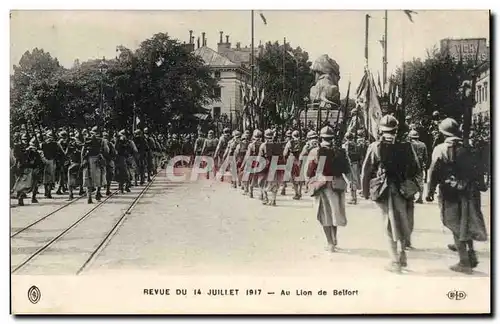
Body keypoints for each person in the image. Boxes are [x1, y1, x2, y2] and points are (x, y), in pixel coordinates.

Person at [426, 118, 488, 274]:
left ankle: (464, 262)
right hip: (470, 191)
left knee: (454, 224)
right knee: (467, 221)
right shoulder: (470, 147)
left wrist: (429, 191)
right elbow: (479, 169)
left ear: (443, 133)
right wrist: (481, 185)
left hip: (450, 191)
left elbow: (433, 171)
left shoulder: (440, 149)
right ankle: (471, 254)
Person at [361, 115, 421, 273]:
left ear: (381, 130)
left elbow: (366, 171)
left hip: (385, 190)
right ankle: (402, 253)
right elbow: (416, 168)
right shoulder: (407, 146)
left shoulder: (375, 147)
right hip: (404, 189)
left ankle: (395, 261)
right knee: (403, 221)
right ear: (396, 129)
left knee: (389, 224)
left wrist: (366, 191)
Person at [306, 125, 352, 252]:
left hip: (323, 184)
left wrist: (309, 181)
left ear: (321, 137)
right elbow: (347, 169)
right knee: (334, 213)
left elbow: (309, 170)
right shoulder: (340, 151)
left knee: (325, 215)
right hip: (337, 185)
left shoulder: (315, 152)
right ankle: (334, 239)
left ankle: (330, 243)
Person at [81, 126, 109, 204]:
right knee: (100, 176)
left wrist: (82, 161)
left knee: (87, 178)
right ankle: (97, 193)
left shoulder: (87, 139)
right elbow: (106, 151)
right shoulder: (102, 140)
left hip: (88, 161)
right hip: (97, 160)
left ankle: (89, 197)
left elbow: (82, 152)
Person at [408, 130, 428, 203]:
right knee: (420, 181)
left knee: (410, 180)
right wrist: (424, 164)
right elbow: (425, 157)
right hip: (420, 165)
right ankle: (420, 197)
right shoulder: (423, 144)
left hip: (411, 165)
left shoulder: (409, 144)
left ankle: (412, 196)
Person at [283, 130, 303, 199]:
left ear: (292, 135)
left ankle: (296, 193)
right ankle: (300, 191)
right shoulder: (302, 142)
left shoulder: (289, 142)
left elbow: (285, 153)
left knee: (292, 177)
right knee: (300, 176)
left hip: (292, 160)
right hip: (301, 160)